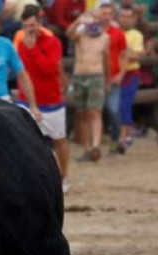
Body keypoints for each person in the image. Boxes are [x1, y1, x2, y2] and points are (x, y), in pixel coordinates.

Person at [14, 5, 70, 191]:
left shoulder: (53, 42)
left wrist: (33, 50)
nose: (30, 28)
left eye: (33, 24)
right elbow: (20, 72)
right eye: (27, 25)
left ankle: (63, 176)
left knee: (59, 140)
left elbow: (48, 69)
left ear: (39, 24)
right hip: (26, 101)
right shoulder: (19, 44)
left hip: (51, 101)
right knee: (25, 142)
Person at [65, 12, 108, 163]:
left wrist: (107, 80)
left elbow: (106, 59)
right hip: (79, 75)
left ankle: (96, 145)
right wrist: (78, 21)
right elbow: (69, 34)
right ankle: (87, 148)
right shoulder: (80, 34)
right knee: (81, 112)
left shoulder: (105, 37)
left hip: (97, 75)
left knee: (94, 111)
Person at [98, 2, 127, 154]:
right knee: (95, 110)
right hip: (97, 75)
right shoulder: (93, 31)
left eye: (109, 14)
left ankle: (115, 141)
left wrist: (121, 73)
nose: (106, 17)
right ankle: (96, 143)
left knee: (113, 110)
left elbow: (124, 55)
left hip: (114, 76)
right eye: (103, 13)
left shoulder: (118, 33)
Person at [117, 5, 142, 154]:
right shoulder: (114, 32)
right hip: (114, 72)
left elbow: (136, 55)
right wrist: (125, 53)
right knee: (116, 106)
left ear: (134, 19)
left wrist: (121, 53)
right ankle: (122, 134)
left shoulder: (136, 35)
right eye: (123, 16)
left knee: (125, 104)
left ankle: (123, 136)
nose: (125, 20)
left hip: (130, 73)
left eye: (128, 17)